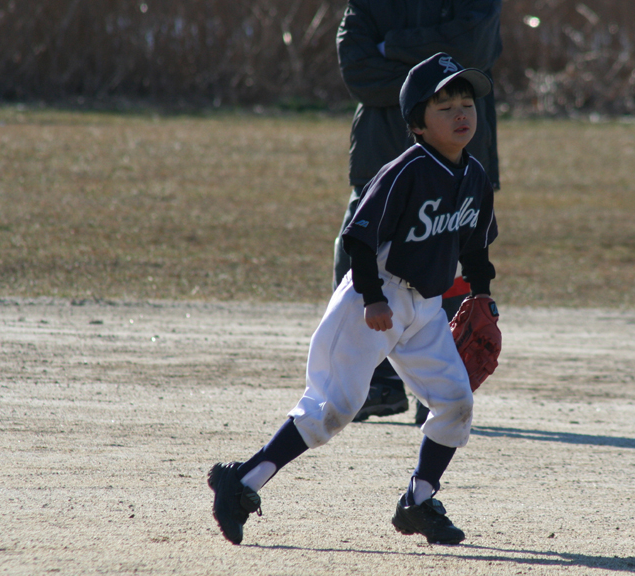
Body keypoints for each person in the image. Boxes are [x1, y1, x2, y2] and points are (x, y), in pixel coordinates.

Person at [208, 53, 498, 546]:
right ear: (418, 124)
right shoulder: (406, 171)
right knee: (334, 407)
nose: (460, 114)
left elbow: (474, 247)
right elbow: (359, 237)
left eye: (466, 103)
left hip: (426, 308)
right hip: (376, 295)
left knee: (455, 403)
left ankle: (419, 501)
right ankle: (241, 482)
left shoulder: (474, 176)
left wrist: (484, 294)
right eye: (445, 106)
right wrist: (371, 297)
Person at [334, 0, 502, 424]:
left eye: (458, 99)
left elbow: (475, 50)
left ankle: (441, 383)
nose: (452, 103)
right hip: (381, 153)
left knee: (449, 260)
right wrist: (433, 70)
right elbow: (359, 74)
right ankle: (378, 382)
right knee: (355, 252)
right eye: (435, 102)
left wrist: (390, 48)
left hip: (457, 160)